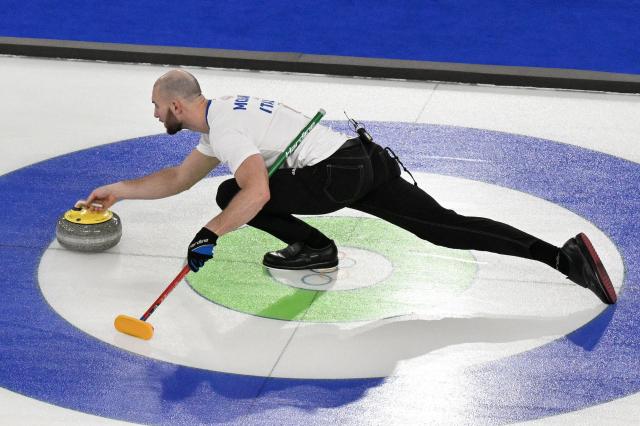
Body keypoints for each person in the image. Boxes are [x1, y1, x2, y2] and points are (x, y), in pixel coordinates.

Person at [84, 69, 617, 305]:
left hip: (336, 174)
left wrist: (210, 234)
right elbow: (178, 178)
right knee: (446, 230)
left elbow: (257, 195)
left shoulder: (226, 127)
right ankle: (561, 257)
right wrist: (120, 190)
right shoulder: (225, 115)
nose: (155, 115)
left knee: (233, 197)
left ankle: (316, 249)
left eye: (156, 106)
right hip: (363, 159)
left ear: (177, 105)